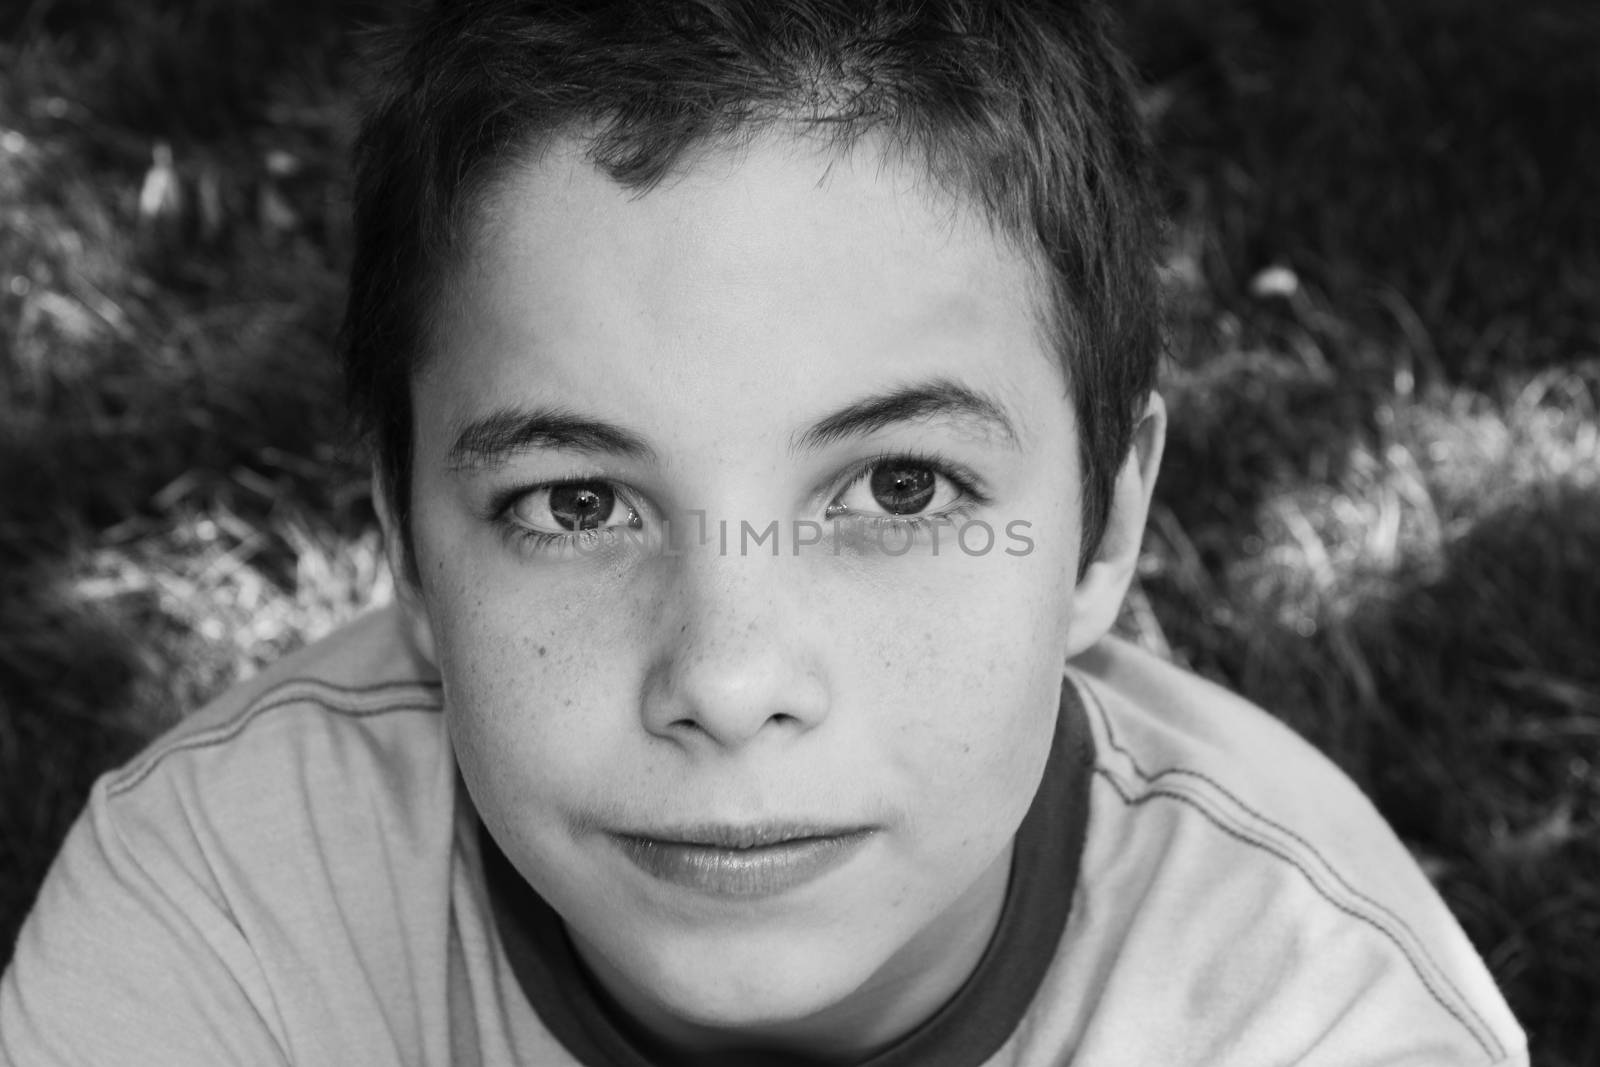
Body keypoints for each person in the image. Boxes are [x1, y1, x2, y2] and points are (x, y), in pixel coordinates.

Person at [0, 1, 1527, 1063]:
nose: (727, 677)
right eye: (577, 503)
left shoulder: (1317, 1018)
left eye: (901, 490)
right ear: (404, 535)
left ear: (1104, 522)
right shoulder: (226, 916)